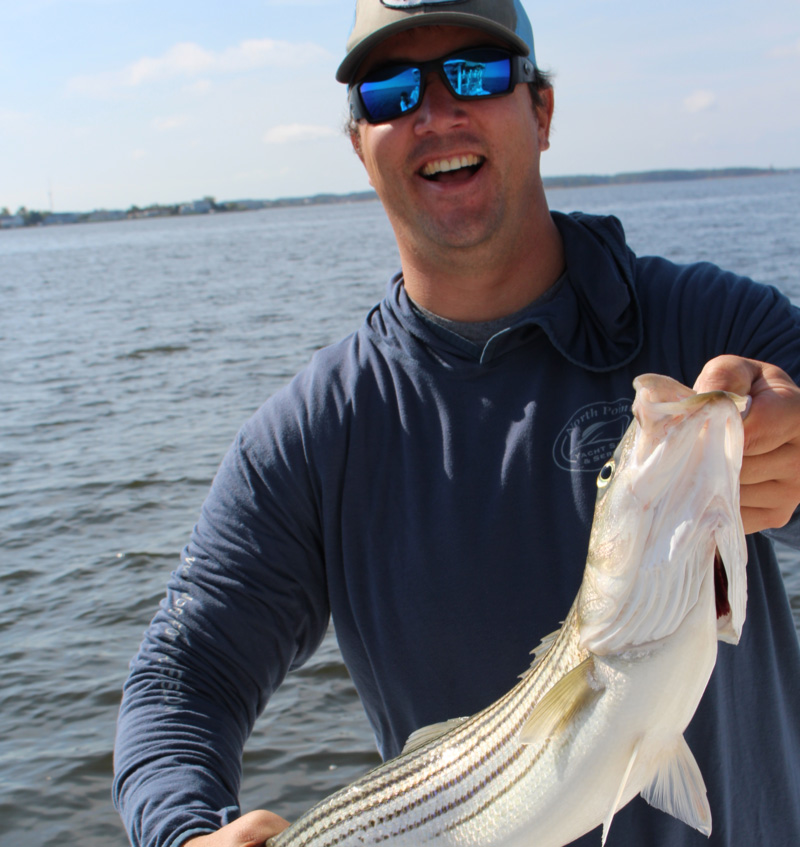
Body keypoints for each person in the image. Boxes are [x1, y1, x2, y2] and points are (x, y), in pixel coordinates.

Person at [113, 2, 800, 846]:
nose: (436, 113)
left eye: (477, 72)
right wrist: (184, 831)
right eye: (390, 91)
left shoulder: (714, 324)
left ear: (542, 110)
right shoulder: (311, 435)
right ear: (359, 143)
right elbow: (182, 677)